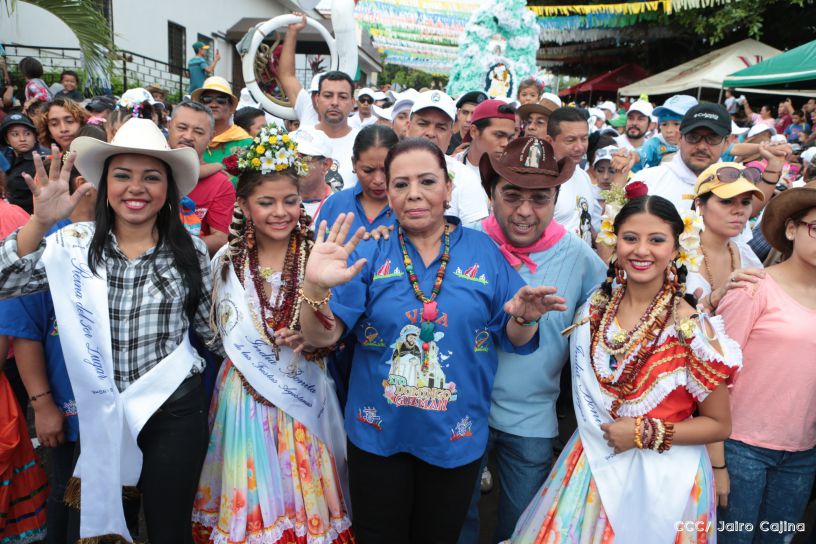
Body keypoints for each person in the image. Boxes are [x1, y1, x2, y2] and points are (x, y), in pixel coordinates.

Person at [296, 137, 565, 543]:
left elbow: (513, 337)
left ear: (448, 188)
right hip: (377, 435)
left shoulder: (483, 251)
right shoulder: (371, 250)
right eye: (401, 184)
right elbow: (323, 334)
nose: (414, 194)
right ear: (388, 194)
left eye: (427, 181)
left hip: (454, 437)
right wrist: (314, 287)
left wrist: (525, 317)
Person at [0, 118, 215, 543]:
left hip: (174, 411)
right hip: (103, 413)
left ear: (168, 189)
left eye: (151, 177)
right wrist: (39, 223)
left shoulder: (190, 250)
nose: (136, 188)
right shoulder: (73, 244)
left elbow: (212, 332)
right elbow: (5, 282)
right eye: (122, 176)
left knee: (170, 528)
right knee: (101, 530)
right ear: (104, 184)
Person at [510, 193, 741, 543]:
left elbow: (720, 424)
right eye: (630, 238)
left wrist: (644, 433)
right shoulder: (596, 308)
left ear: (677, 249)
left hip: (666, 479)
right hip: (593, 460)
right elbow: (524, 343)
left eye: (657, 240)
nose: (641, 250)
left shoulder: (690, 329)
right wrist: (524, 319)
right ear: (614, 241)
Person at [192, 123, 353, 544]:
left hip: (303, 390)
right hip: (243, 396)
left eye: (290, 200)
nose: (280, 212)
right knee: (250, 499)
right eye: (266, 202)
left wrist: (310, 333)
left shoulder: (318, 256)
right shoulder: (226, 261)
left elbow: (332, 332)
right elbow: (213, 333)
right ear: (245, 205)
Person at [458, 137, 607, 543]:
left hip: (532, 419)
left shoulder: (580, 257)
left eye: (540, 198)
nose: (524, 211)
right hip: (460, 413)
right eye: (511, 196)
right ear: (490, 194)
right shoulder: (464, 243)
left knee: (524, 527)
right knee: (455, 523)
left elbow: (611, 315)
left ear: (556, 200)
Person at [0, 154, 99, 544]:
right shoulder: (49, 240)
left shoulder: (131, 234)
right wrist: (42, 405)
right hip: (67, 403)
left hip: (126, 404)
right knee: (67, 492)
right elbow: (25, 330)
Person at [715, 181, 816, 544]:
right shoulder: (753, 288)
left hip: (802, 454)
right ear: (791, 229)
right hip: (740, 447)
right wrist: (717, 461)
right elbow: (713, 374)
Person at [280, 17, 359, 189]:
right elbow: (286, 76)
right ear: (316, 99)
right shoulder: (298, 138)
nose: (335, 102)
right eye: (328, 95)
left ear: (353, 102)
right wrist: (292, 32)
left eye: (342, 97)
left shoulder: (362, 141)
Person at [687, 163, 765, 313]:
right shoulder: (677, 255)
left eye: (746, 202)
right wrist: (714, 298)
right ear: (699, 205)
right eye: (726, 201)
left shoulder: (745, 254)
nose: (739, 210)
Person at [407, 90, 490, 224]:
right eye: (423, 124)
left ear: (451, 134)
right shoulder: (385, 169)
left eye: (441, 127)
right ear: (408, 126)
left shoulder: (465, 178)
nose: (431, 133)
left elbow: (475, 233)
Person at [168, 100, 236, 255]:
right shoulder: (148, 165)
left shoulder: (220, 183)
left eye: (198, 132)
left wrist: (170, 249)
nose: (188, 136)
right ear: (169, 126)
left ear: (211, 137)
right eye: (182, 128)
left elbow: (220, 238)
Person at [315, 124, 399, 236]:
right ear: (354, 163)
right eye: (368, 170)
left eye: (386, 170)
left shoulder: (410, 207)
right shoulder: (334, 205)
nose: (378, 180)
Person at [544, 107, 601, 243]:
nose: (580, 147)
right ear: (549, 141)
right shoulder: (540, 182)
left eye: (584, 139)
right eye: (570, 140)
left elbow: (585, 223)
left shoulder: (583, 176)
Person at [192, 76, 254, 187]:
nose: (213, 105)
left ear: (231, 107)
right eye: (207, 100)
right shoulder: (190, 138)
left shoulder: (245, 142)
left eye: (221, 100)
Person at [454, 99, 516, 178]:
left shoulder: (513, 176)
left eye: (510, 138)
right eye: (499, 135)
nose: (506, 144)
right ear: (474, 131)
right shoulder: (448, 168)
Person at [634, 95, 697, 172]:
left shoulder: (700, 145)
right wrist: (634, 157)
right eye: (664, 124)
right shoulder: (657, 144)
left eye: (676, 124)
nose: (669, 130)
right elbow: (642, 153)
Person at [1, 112, 48, 213]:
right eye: (15, 134)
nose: (22, 139)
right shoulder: (8, 156)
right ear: (7, 139)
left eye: (27, 134)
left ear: (34, 137)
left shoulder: (44, 159)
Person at [290, 126, 335, 221]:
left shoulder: (340, 204)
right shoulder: (277, 203)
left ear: (326, 164)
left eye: (303, 159)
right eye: (291, 157)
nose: (295, 165)